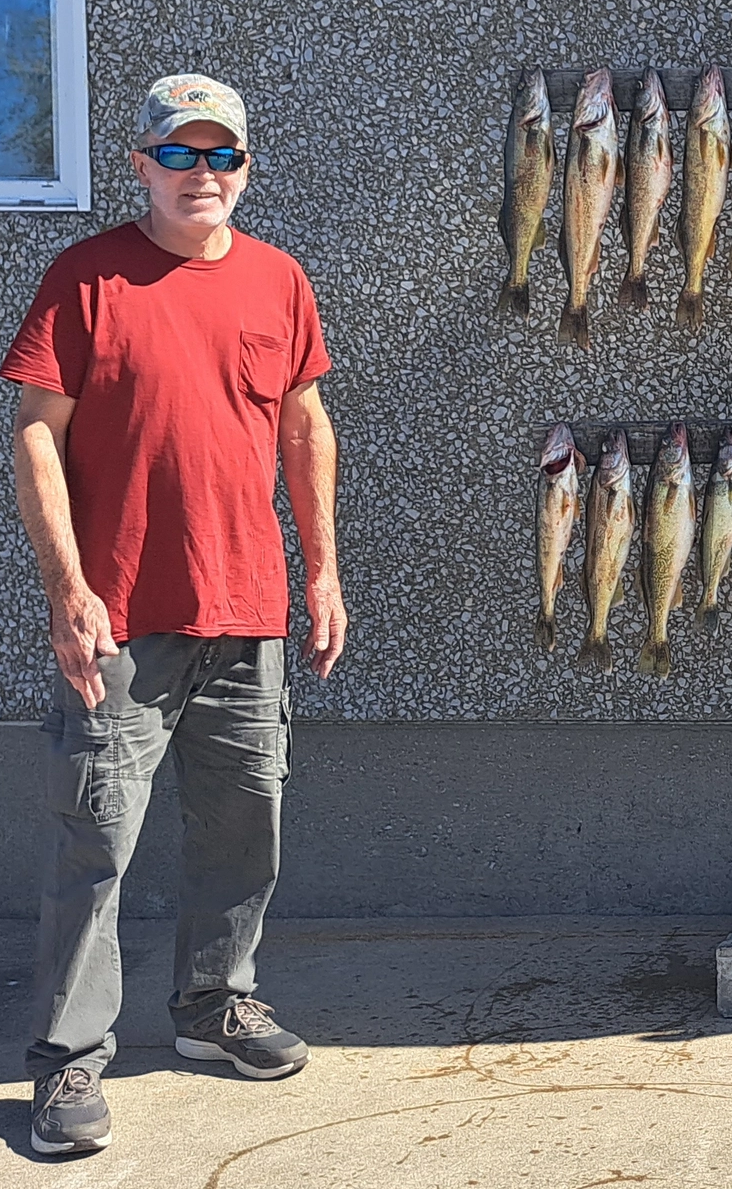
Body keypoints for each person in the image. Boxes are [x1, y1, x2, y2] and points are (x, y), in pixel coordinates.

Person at [7, 74, 345, 1157]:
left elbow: (304, 426)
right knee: (95, 839)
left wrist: (323, 572)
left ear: (246, 167)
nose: (203, 175)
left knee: (247, 829)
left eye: (222, 156)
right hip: (119, 620)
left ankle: (214, 1006)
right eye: (181, 155)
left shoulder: (278, 280)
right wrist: (66, 589)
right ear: (142, 163)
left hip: (248, 612)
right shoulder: (86, 277)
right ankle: (67, 1061)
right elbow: (34, 435)